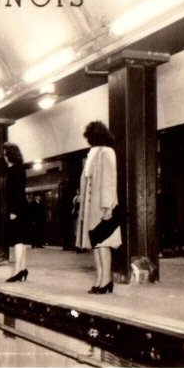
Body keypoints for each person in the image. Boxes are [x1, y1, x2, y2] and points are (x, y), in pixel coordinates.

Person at [76, 121, 122, 295]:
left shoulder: (107, 152)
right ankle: (100, 279)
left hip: (102, 207)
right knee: (96, 244)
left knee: (103, 244)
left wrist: (108, 207)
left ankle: (106, 280)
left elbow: (110, 181)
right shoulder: (93, 154)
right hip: (91, 208)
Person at [3, 142, 31, 282]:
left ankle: (17, 271)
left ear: (10, 155)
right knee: (22, 240)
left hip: (17, 208)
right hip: (21, 208)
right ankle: (23, 268)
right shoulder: (19, 168)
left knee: (17, 240)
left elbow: (16, 192)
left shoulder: (14, 170)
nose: (4, 157)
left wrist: (13, 211)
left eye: (5, 154)